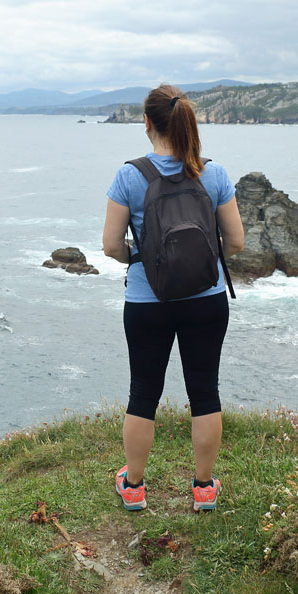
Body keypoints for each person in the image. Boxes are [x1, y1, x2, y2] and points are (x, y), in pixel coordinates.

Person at [102, 83, 245, 512]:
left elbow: (110, 246)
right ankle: (203, 489)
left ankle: (134, 487)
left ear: (147, 123)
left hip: (149, 302)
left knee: (143, 391)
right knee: (204, 392)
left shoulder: (130, 175)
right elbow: (235, 241)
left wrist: (141, 257)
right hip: (207, 299)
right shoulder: (212, 173)